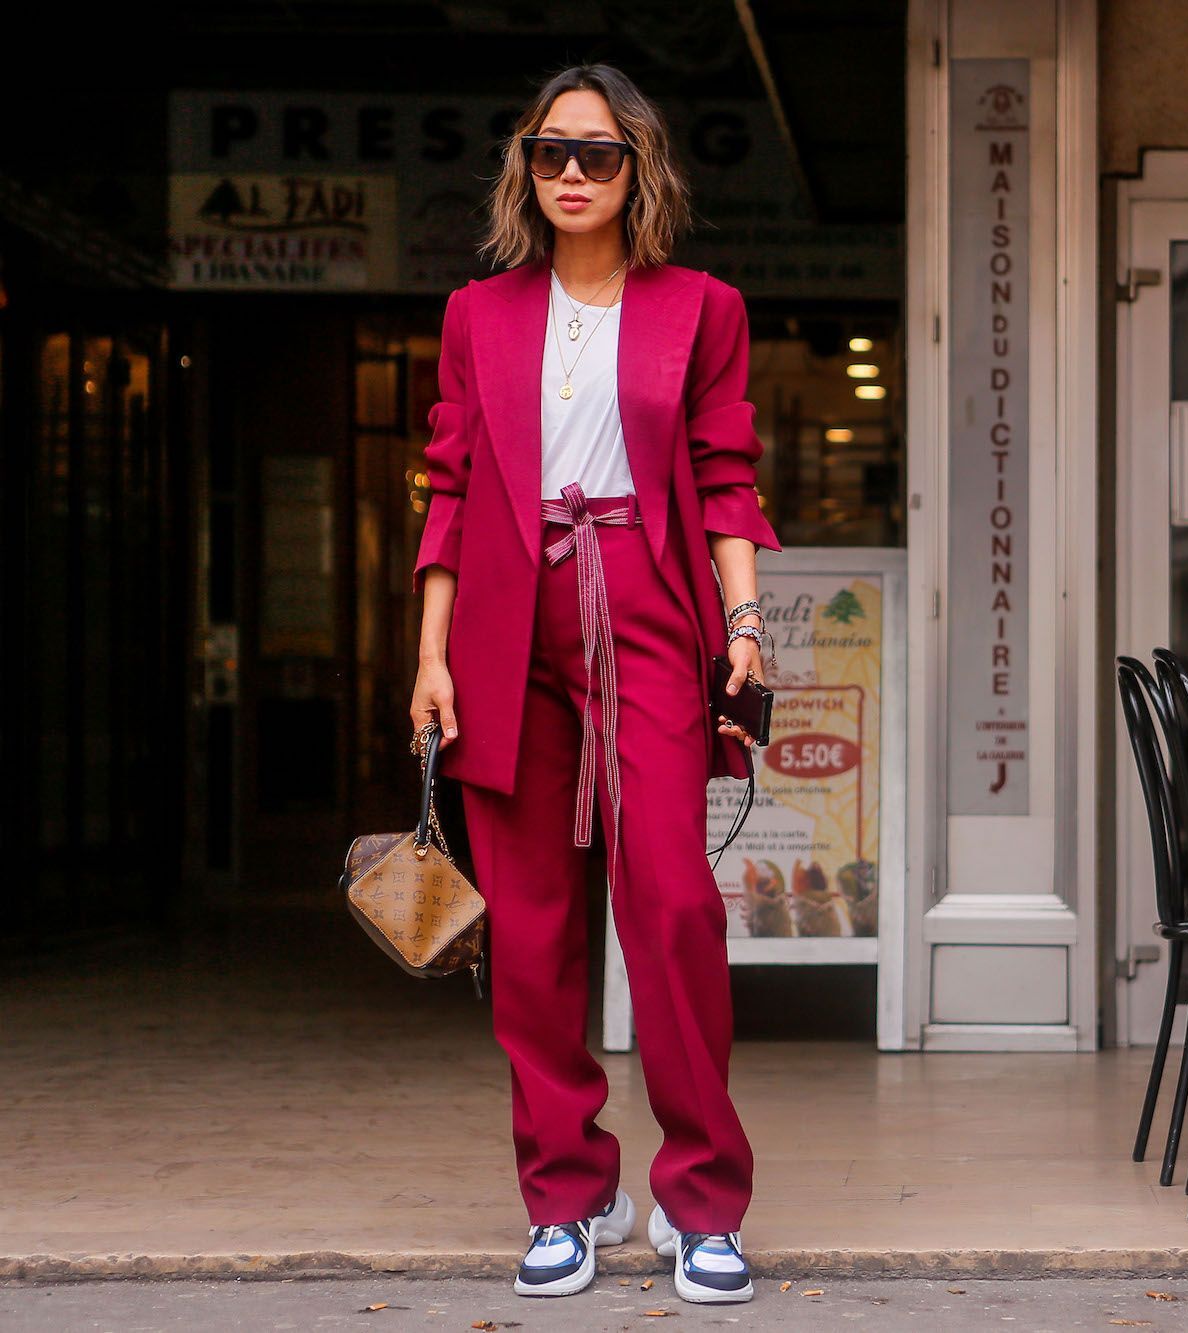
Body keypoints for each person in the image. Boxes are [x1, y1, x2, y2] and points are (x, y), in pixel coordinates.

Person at [406, 63, 778, 1305]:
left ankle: (702, 1200)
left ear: (638, 169)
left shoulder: (702, 308)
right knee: (528, 930)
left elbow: (724, 475)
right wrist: (430, 655)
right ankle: (566, 1193)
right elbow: (451, 488)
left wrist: (743, 625)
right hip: (504, 623)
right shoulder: (477, 314)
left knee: (671, 906)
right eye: (549, 150)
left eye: (598, 153)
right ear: (525, 167)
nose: (571, 172)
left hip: (649, 610)